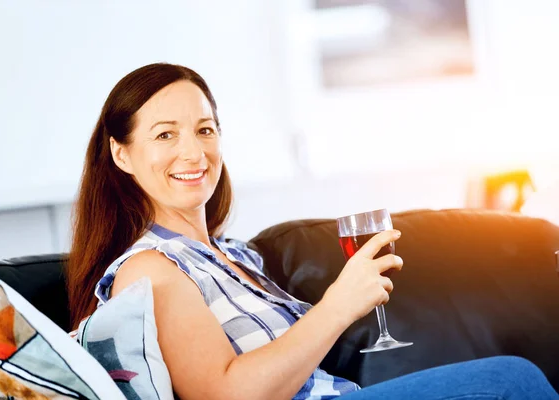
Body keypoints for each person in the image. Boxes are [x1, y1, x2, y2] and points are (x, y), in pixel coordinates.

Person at [66, 63, 559, 400]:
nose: (194, 153)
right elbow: (228, 394)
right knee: (508, 379)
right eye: (165, 134)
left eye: (205, 129)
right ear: (121, 153)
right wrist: (338, 305)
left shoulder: (231, 257)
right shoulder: (150, 270)